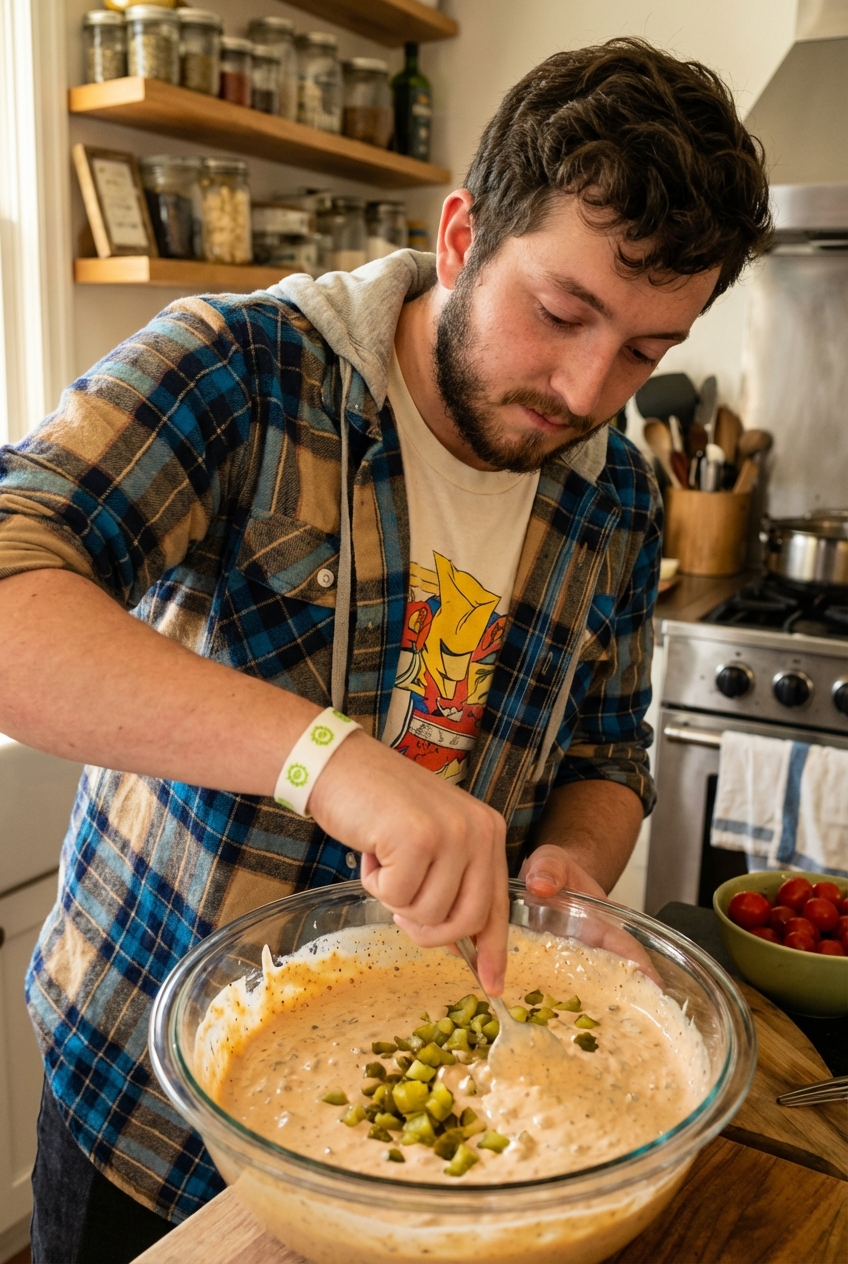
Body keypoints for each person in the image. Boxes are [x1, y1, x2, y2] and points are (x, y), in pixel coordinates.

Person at [0, 36, 771, 1264]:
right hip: (145, 1103)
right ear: (460, 238)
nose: (585, 390)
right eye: (559, 313)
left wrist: (569, 870)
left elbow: (607, 752)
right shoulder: (242, 373)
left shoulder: (618, 495)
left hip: (453, 1123)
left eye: (642, 353)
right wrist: (332, 761)